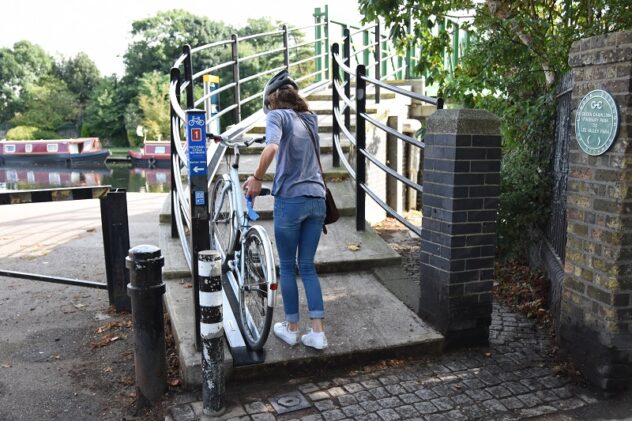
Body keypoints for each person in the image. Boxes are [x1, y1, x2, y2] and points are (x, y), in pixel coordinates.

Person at [242, 70, 327, 350]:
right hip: (318, 200)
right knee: (308, 266)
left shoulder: (276, 116)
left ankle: (291, 328)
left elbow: (271, 149)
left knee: (288, 267)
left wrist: (257, 177)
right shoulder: (310, 119)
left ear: (270, 100)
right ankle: (317, 333)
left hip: (291, 200)